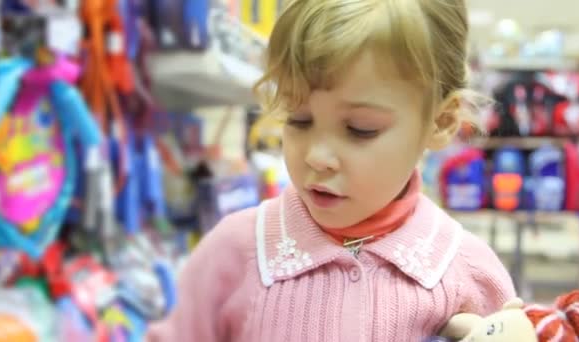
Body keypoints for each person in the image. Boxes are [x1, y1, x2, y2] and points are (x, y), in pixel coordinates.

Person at [146, 0, 516, 340]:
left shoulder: (470, 274)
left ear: (440, 121)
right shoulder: (233, 254)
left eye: (360, 129)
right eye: (299, 120)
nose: (317, 156)